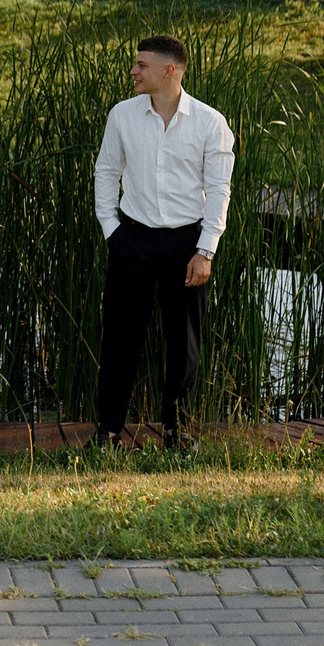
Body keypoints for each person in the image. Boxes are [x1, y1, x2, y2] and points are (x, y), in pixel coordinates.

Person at [91, 33, 235, 447]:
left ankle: (177, 432)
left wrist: (205, 250)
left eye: (142, 65)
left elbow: (220, 191)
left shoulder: (211, 123)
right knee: (119, 337)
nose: (133, 71)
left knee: (184, 343)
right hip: (131, 239)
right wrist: (111, 230)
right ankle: (109, 432)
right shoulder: (122, 115)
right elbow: (106, 172)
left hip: (186, 245)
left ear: (169, 71)